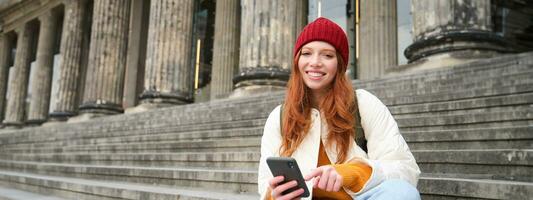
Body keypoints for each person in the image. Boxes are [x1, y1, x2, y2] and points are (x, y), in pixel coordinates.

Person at [257, 17, 421, 200]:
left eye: (327, 55)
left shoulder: (363, 103)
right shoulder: (278, 116)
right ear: (297, 61)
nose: (315, 62)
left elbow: (405, 168)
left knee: (402, 193)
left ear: (339, 65)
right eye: (307, 53)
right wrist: (274, 195)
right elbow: (265, 182)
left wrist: (350, 173)